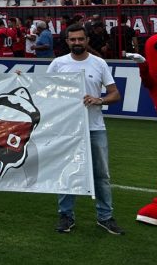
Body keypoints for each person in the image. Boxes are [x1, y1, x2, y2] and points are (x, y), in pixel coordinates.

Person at [48, 24, 124, 235]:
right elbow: (45, 91)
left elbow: (115, 94)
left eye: (80, 39)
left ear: (87, 40)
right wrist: (20, 77)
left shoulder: (99, 63)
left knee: (101, 175)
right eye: (72, 40)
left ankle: (105, 217)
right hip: (68, 129)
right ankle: (66, 215)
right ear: (67, 41)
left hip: (95, 127)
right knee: (67, 173)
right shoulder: (58, 64)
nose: (77, 43)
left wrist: (98, 100)